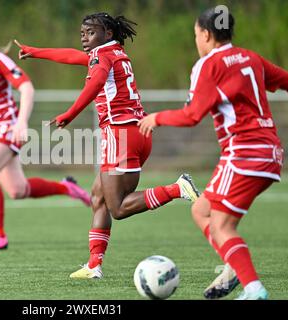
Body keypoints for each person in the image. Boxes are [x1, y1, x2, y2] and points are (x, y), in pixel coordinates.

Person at [15, 12, 200, 279]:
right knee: (98, 197)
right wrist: (36, 52)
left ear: (108, 34)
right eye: (82, 33)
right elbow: (71, 56)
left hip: (120, 135)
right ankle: (93, 265)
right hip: (138, 133)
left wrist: (70, 113)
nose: (84, 37)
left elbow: (97, 82)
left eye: (90, 32)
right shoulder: (114, 54)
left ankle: (176, 188)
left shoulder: (103, 57)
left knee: (119, 207)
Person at [139, 7, 288, 300]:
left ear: (206, 34)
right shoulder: (252, 58)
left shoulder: (208, 65)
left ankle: (253, 288)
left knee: (221, 225)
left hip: (244, 153)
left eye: (196, 34)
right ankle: (234, 265)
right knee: (201, 210)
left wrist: (156, 118)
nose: (196, 40)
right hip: (270, 153)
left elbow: (191, 116)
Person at [0, 18, 92, 251]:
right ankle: (67, 188)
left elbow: (26, 87)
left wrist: (21, 122)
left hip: (7, 125)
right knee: (17, 190)